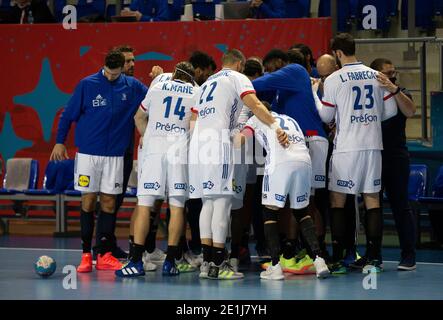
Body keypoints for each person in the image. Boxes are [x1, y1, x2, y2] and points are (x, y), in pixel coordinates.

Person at [191, 49, 288, 280]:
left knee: (208, 203)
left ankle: (206, 263)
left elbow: (193, 120)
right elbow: (254, 104)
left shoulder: (205, 84)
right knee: (223, 204)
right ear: (239, 64)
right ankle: (219, 263)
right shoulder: (236, 77)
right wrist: (276, 126)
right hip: (218, 142)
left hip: (197, 145)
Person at [50, 50, 147, 273]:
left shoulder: (132, 86)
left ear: (122, 68)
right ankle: (86, 255)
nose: (111, 77)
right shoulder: (87, 84)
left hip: (115, 156)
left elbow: (155, 98)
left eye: (115, 74)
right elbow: (68, 115)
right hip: (88, 156)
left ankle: (104, 254)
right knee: (88, 200)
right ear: (104, 66)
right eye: (108, 73)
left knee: (109, 203)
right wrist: (59, 141)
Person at [319, 33, 398, 274]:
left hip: (347, 148)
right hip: (373, 145)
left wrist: (317, 97)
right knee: (372, 199)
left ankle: (340, 258)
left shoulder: (334, 79)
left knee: (338, 201)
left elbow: (326, 117)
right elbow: (391, 111)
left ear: (338, 54)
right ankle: (374, 257)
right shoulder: (376, 75)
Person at [116, 62, 198, 277]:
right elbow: (196, 128)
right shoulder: (197, 92)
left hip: (154, 153)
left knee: (145, 205)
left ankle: (135, 261)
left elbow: (138, 117)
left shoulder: (157, 88)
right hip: (179, 155)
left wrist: (147, 136)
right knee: (178, 207)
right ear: (191, 78)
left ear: (174, 76)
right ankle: (171, 261)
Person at [252, 49, 330, 271]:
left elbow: (260, 84)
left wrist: (238, 85)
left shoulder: (294, 71)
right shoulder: (281, 91)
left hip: (310, 139)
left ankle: (316, 252)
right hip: (298, 145)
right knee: (296, 203)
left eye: (269, 68)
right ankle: (295, 251)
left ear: (279, 62)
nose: (268, 73)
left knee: (309, 202)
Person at [235, 107, 330, 279]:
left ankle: (275, 266)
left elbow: (241, 140)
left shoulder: (255, 119)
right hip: (304, 161)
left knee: (269, 212)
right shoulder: (289, 118)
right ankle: (319, 260)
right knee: (302, 211)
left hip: (280, 163)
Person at [368, 58, 417, 271]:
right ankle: (374, 256)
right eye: (388, 73)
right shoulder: (368, 97)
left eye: (394, 72)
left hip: (396, 157)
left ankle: (409, 255)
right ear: (376, 75)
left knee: (400, 207)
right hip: (373, 157)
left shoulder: (401, 91)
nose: (393, 75)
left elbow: (410, 111)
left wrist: (393, 89)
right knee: (373, 208)